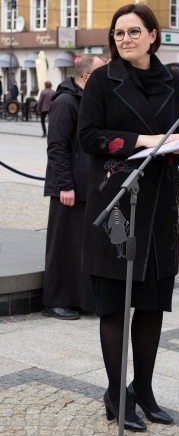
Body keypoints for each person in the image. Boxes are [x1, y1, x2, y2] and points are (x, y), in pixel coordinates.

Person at [78, 3, 179, 431]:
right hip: (117, 204)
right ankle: (115, 392)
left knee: (151, 306)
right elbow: (88, 136)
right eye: (119, 32)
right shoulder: (103, 81)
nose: (125, 38)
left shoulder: (173, 81)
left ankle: (143, 390)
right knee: (114, 306)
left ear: (153, 35)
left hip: (160, 206)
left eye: (133, 31)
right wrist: (143, 139)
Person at [42, 54, 104, 320]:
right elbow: (56, 147)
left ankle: (80, 300)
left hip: (86, 186)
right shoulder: (66, 102)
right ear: (87, 77)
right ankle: (55, 300)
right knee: (62, 246)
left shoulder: (90, 101)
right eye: (102, 74)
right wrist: (65, 185)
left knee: (81, 246)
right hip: (67, 188)